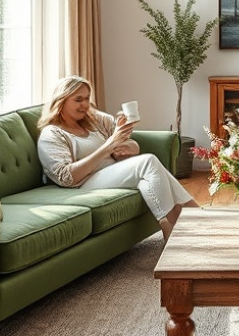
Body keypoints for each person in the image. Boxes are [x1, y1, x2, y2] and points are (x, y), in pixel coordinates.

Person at [36, 76, 198, 241]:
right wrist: (109, 146)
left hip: (111, 173)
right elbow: (66, 177)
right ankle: (176, 226)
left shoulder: (94, 120)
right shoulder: (52, 134)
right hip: (83, 183)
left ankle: (196, 220)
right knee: (148, 162)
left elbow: (132, 145)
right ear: (61, 100)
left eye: (86, 98)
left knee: (146, 181)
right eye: (78, 99)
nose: (84, 104)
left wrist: (126, 145)